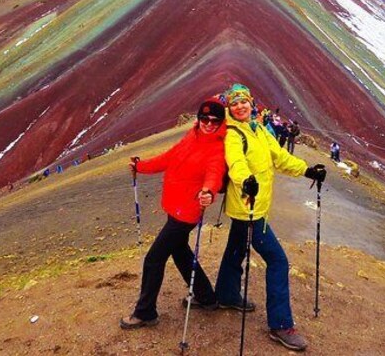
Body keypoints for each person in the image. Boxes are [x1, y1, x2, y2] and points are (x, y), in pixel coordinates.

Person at [215, 83, 324, 352]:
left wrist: (307, 170)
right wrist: (246, 180)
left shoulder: (260, 130)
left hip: (255, 207)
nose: (240, 106)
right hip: (248, 208)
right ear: (230, 107)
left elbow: (280, 157)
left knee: (236, 250)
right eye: (235, 103)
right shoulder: (232, 134)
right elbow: (235, 163)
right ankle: (280, 324)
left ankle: (226, 294)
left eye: (244, 102)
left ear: (252, 104)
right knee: (278, 260)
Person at [120, 98, 227, 329]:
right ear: (198, 119)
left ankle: (145, 312)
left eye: (215, 121)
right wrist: (141, 166)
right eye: (204, 118)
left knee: (154, 259)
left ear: (221, 123)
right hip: (174, 206)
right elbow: (168, 158)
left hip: (186, 213)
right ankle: (206, 297)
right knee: (180, 253)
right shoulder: (191, 137)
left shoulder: (217, 149)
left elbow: (214, 174)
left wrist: (208, 191)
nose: (209, 123)